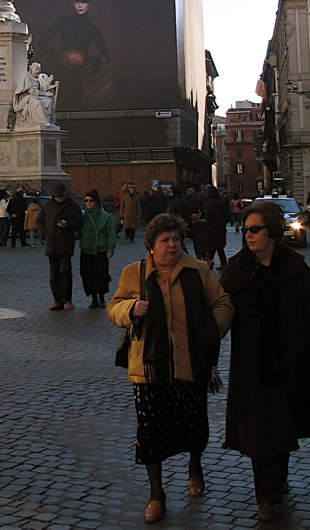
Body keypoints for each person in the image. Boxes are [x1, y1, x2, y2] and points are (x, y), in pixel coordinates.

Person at [107, 213, 233, 524]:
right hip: (149, 367)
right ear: (151, 246)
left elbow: (224, 304)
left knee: (195, 425)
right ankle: (156, 494)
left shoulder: (199, 272)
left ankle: (195, 465)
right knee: (150, 431)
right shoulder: (133, 274)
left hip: (190, 363)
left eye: (176, 239)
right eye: (165, 240)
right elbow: (114, 307)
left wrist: (209, 331)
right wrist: (131, 309)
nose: (172, 245)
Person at [220, 202, 310, 523]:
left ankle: (278, 479)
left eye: (255, 229)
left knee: (284, 425)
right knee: (260, 430)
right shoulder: (237, 269)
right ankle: (264, 497)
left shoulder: (294, 267)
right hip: (252, 365)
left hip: (290, 360)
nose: (249, 235)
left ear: (272, 232)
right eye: (245, 230)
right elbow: (218, 310)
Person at [37, 0, 111, 107]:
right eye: (77, 1)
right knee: (62, 103)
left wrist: (89, 61)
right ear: (73, 3)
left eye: (84, 2)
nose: (80, 5)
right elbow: (42, 42)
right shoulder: (63, 22)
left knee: (79, 103)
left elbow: (106, 57)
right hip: (63, 73)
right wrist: (61, 56)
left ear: (89, 4)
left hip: (83, 76)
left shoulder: (93, 30)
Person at [37, 183, 83, 310]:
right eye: (56, 197)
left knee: (66, 271)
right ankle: (58, 300)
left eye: (60, 197)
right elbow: (39, 221)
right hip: (51, 243)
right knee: (54, 274)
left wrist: (67, 224)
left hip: (66, 243)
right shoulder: (47, 206)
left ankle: (68, 299)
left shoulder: (72, 205)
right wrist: (45, 234)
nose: (58, 199)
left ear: (65, 194)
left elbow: (79, 221)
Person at [79, 191, 115, 308]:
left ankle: (101, 297)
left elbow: (111, 233)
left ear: (96, 202)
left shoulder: (105, 217)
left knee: (101, 274)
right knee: (87, 274)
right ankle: (93, 298)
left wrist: (110, 248)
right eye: (86, 201)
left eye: (91, 200)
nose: (88, 203)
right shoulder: (82, 217)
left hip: (100, 250)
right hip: (87, 249)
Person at [200, 185, 229, 269]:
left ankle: (209, 262)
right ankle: (211, 262)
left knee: (214, 245)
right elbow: (227, 214)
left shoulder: (210, 202)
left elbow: (208, 215)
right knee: (217, 245)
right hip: (220, 226)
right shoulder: (221, 200)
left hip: (212, 226)